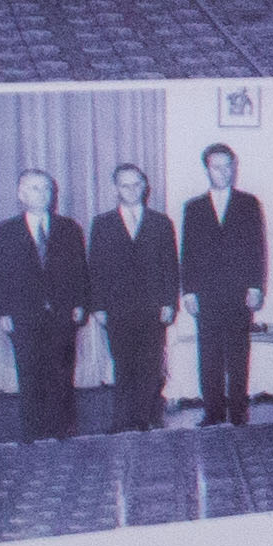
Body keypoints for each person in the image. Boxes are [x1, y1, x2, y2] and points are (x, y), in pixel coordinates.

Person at [0, 166, 86, 440]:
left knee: (61, 372)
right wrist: (3, 311)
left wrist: (80, 303)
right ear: (20, 194)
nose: (41, 194)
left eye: (46, 188)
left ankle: (62, 429)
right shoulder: (7, 231)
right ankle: (33, 429)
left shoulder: (68, 228)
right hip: (23, 313)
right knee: (29, 371)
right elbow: (1, 274)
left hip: (62, 312)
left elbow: (79, 269)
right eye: (34, 188)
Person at [181, 142, 270, 426]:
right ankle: (213, 412)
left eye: (228, 165)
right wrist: (189, 291)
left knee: (238, 354)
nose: (224, 172)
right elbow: (188, 252)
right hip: (206, 294)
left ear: (234, 167)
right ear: (207, 169)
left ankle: (238, 411)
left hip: (239, 293)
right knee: (209, 355)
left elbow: (258, 247)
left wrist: (256, 287)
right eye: (217, 167)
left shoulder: (249, 203)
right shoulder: (193, 208)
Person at [88, 158, 178, 433]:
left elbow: (171, 266)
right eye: (124, 186)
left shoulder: (161, 223)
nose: (131, 190)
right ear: (116, 189)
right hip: (117, 308)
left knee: (150, 365)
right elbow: (96, 268)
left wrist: (169, 302)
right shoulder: (102, 224)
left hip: (152, 306)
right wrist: (98, 306)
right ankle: (122, 419)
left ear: (145, 186)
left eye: (136, 184)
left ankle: (145, 418)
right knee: (123, 364)